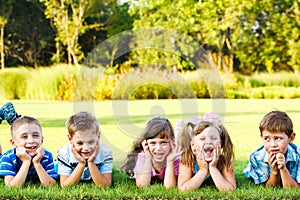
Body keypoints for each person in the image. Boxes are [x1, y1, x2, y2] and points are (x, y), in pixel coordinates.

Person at [177, 112, 236, 191]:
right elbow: (183, 189)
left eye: (214, 138)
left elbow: (230, 190)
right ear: (193, 146)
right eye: (202, 139)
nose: (208, 142)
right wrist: (203, 170)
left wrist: (213, 167)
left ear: (220, 143)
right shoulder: (187, 160)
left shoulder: (225, 161)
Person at [120, 116, 181, 189]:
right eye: (153, 143)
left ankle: (180, 132)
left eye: (163, 142)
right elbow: (142, 185)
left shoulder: (176, 159)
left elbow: (170, 187)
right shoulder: (142, 156)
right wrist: (148, 158)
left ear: (171, 143)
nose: (158, 148)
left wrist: (170, 161)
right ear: (145, 142)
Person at [244, 110, 300, 188]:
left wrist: (283, 169)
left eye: (278, 138)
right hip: (253, 170)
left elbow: (295, 188)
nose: (273, 145)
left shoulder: (298, 155)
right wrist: (275, 171)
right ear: (261, 137)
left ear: (291, 138)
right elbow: (269, 187)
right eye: (267, 138)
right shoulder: (256, 157)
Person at [56, 111, 113, 187]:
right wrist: (81, 163)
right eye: (80, 143)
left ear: (98, 137)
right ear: (70, 139)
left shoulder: (106, 153)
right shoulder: (64, 153)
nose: (86, 148)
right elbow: (65, 185)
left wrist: (91, 162)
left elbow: (105, 185)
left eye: (91, 142)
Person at [0, 116, 57, 186]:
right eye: (24, 137)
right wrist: (26, 162)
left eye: (35, 135)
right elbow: (12, 187)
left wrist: (37, 163)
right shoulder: (8, 158)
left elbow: (51, 185)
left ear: (42, 140)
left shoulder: (47, 156)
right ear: (13, 143)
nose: (31, 140)